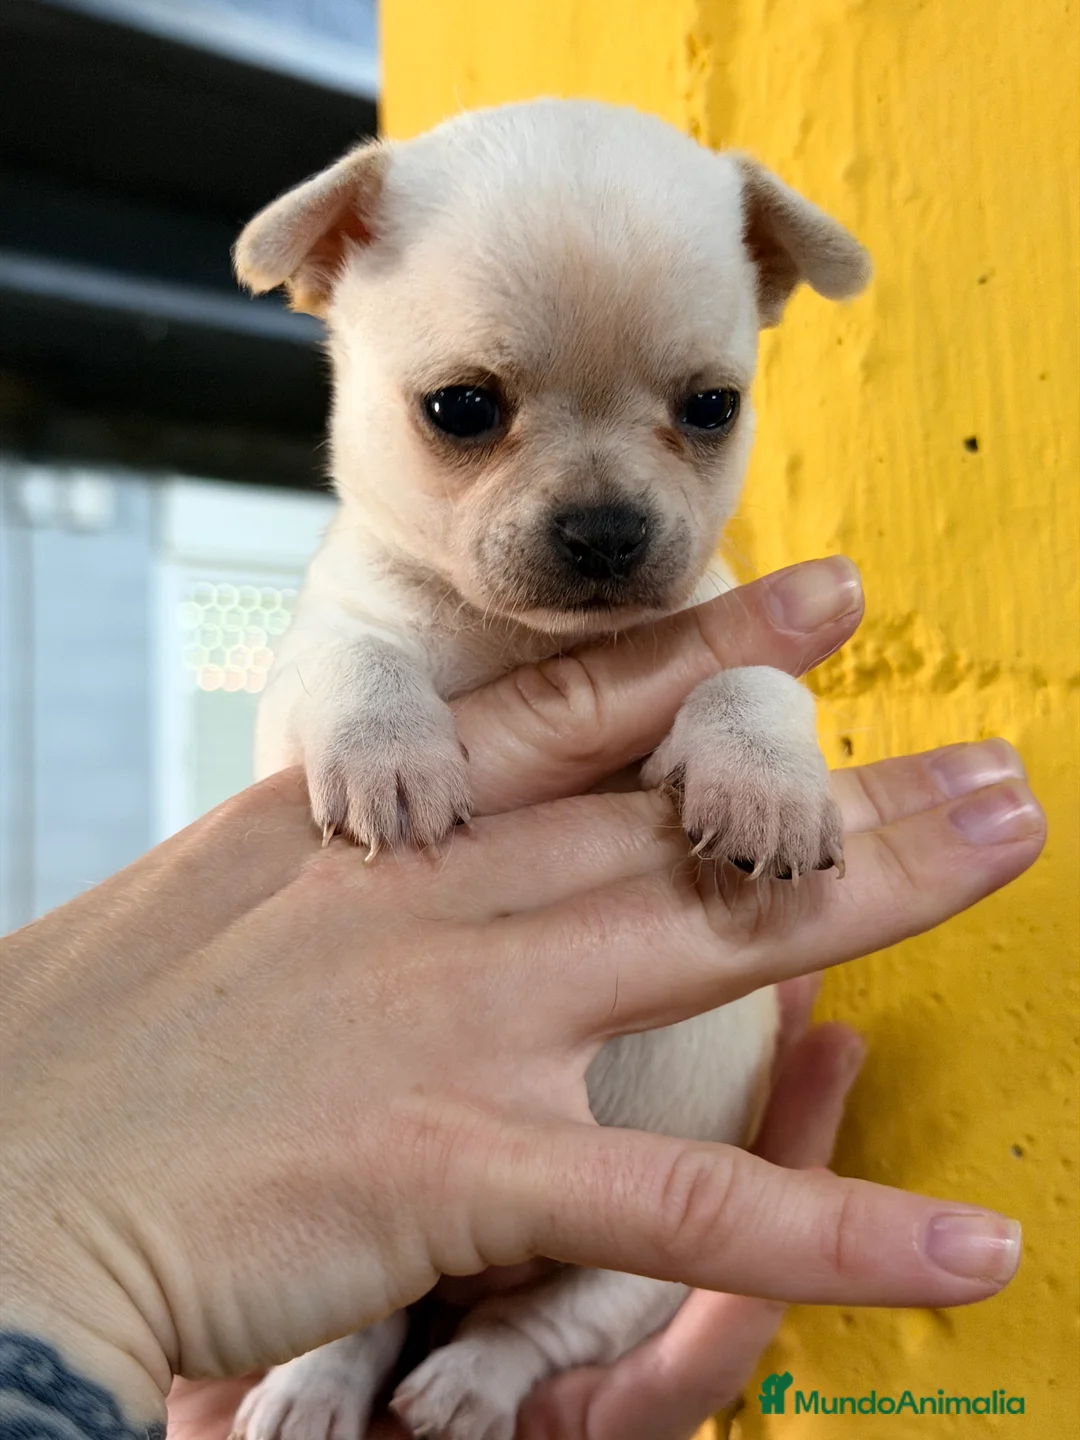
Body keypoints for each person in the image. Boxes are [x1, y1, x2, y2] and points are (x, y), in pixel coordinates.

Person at [0, 559, 1044, 1440]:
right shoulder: (366, 598)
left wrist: (752, 728)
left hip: (618, 1237)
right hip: (376, 1223)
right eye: (464, 411)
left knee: (681, 1235)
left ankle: (517, 1344)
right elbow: (317, 697)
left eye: (703, 408)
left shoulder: (701, 599)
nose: (606, 507)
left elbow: (758, 694)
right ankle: (349, 1347)